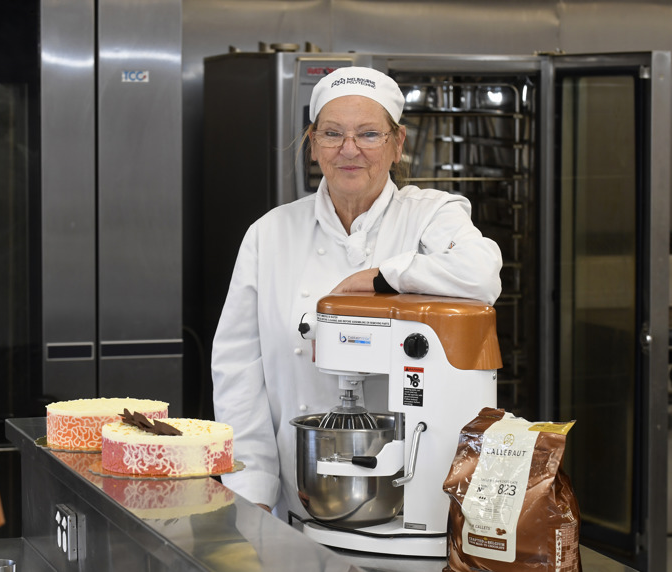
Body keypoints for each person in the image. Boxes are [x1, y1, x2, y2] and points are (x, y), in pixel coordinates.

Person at [211, 66, 503, 519]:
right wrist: (254, 494)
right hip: (296, 498)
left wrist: (382, 277)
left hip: (413, 501)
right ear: (313, 143)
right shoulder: (270, 234)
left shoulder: (428, 216)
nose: (349, 150)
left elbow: (482, 275)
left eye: (368, 134)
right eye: (332, 134)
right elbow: (239, 375)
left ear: (397, 143)